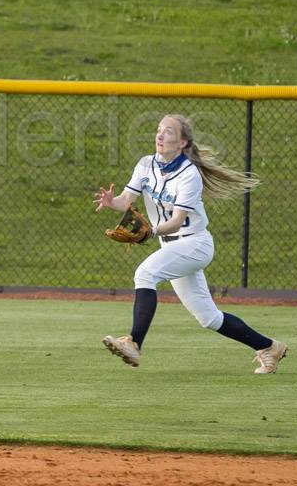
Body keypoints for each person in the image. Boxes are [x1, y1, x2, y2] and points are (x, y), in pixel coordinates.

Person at [93, 115, 287, 374]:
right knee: (209, 318)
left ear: (183, 142)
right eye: (159, 130)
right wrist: (111, 201)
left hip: (195, 244)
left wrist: (150, 232)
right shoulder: (145, 164)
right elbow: (127, 198)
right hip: (171, 247)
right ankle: (269, 347)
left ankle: (134, 343)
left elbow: (176, 221)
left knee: (145, 273)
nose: (160, 135)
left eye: (168, 132)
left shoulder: (189, 174)